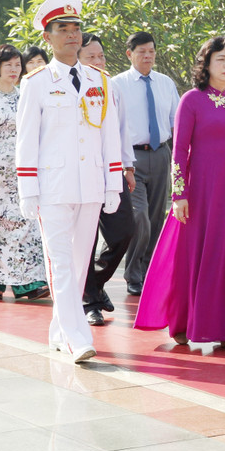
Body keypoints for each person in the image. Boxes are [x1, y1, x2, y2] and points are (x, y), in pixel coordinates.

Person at [134, 36, 225, 351]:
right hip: (201, 192)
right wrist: (180, 195)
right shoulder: (191, 100)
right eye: (221, 59)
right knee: (194, 256)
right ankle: (183, 322)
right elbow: (179, 151)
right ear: (206, 64)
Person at [16, 0, 123, 364]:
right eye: (63, 28)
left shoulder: (100, 80)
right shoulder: (37, 82)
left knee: (79, 263)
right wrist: (28, 189)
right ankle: (78, 337)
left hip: (91, 184)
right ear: (48, 37)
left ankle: (60, 331)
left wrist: (113, 183)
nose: (72, 34)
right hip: (53, 186)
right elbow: (27, 139)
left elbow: (110, 135)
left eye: (76, 27)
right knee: (60, 262)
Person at [0, 45, 48, 300]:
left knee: (24, 226)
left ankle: (28, 284)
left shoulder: (23, 96)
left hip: (19, 173)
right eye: (8, 65)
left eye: (17, 65)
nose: (14, 70)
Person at [111, 31, 179, 296]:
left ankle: (150, 270)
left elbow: (176, 123)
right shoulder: (117, 85)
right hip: (131, 158)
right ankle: (133, 273)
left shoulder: (165, 83)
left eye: (151, 51)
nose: (148, 56)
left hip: (161, 154)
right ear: (130, 54)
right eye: (142, 52)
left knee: (156, 217)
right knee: (139, 217)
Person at [79, 33, 136, 326]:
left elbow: (121, 129)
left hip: (112, 171)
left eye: (101, 56)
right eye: (91, 57)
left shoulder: (110, 86)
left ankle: (95, 283)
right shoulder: (71, 88)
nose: (99, 61)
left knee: (124, 230)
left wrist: (127, 167)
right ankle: (90, 301)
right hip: (81, 173)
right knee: (86, 237)